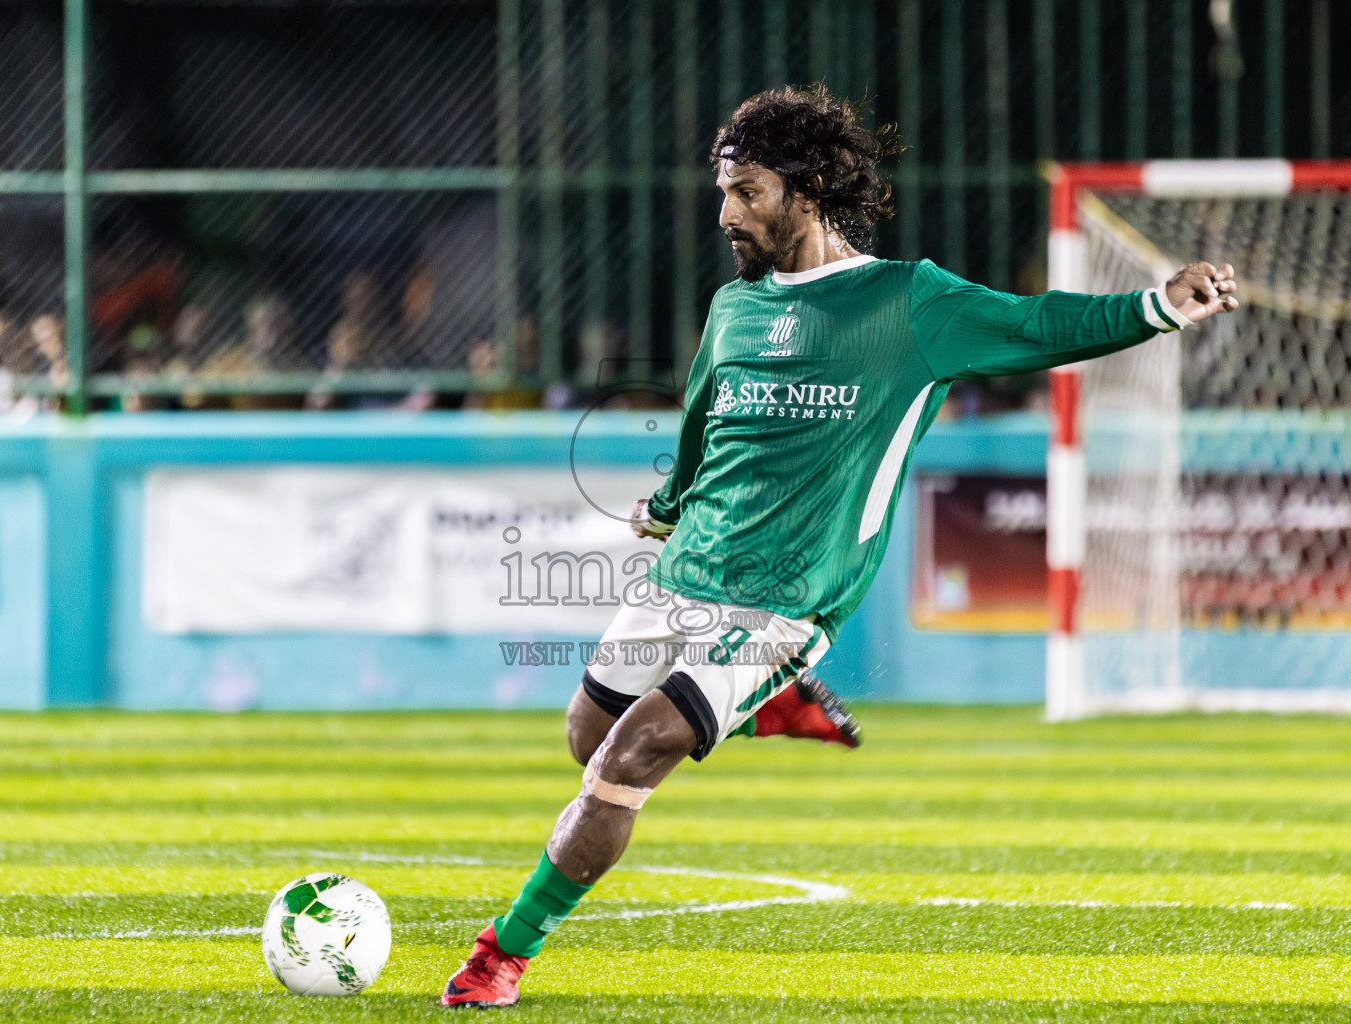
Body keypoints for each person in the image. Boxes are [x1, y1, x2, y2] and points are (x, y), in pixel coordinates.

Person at [441, 85, 1239, 1008]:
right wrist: (665, 506)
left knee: (629, 755)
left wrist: (1157, 305)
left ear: (809, 189)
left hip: (788, 595)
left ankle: (505, 951)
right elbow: (703, 423)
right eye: (725, 192)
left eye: (749, 192)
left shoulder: (906, 303)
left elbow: (1036, 325)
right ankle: (763, 705)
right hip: (686, 568)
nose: (727, 212)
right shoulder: (734, 308)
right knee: (584, 736)